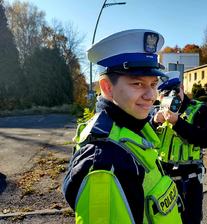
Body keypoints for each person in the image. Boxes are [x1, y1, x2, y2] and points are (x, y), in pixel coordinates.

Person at [63, 29, 182, 224]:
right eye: (137, 83)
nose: (151, 95)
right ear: (107, 88)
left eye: (153, 84)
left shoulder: (133, 129)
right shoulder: (106, 162)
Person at [152, 71, 207, 224]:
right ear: (159, 96)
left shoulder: (199, 110)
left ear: (182, 87)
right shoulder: (155, 112)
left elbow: (206, 139)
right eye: (165, 93)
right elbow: (142, 139)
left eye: (175, 90)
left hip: (190, 181)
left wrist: (177, 123)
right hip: (163, 179)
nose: (173, 96)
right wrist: (153, 123)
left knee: (190, 220)